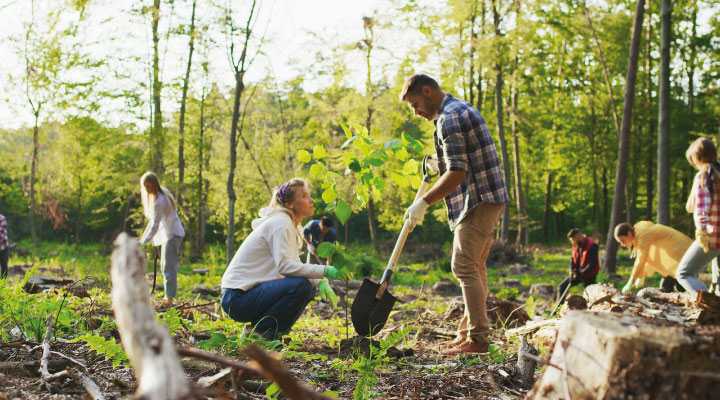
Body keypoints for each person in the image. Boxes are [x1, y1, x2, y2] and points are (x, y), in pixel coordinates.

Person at [400, 74, 508, 355]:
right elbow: (462, 158)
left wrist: (423, 202)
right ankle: (468, 334)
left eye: (415, 103)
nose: (416, 111)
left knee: (463, 266)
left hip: (479, 198)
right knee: (475, 267)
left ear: (427, 91)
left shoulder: (449, 118)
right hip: (487, 196)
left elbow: (458, 172)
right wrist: (440, 162)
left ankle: (478, 340)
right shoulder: (458, 109)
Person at [220, 178, 346, 340]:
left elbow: (294, 264)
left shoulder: (287, 224)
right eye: (305, 196)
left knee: (307, 286)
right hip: (236, 298)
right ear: (290, 204)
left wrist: (319, 281)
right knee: (301, 286)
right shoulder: (280, 223)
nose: (311, 200)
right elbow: (286, 267)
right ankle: (261, 334)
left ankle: (267, 332)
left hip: (243, 296)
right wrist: (326, 270)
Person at [676, 138, 720, 295]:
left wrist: (702, 231)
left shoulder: (703, 176)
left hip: (712, 235)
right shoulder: (718, 172)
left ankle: (711, 304)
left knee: (684, 273)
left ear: (697, 157)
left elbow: (702, 208)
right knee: (718, 280)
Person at [139, 172, 185, 300]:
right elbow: (152, 222)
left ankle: (169, 297)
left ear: (154, 185)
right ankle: (169, 296)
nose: (147, 190)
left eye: (148, 186)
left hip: (172, 234)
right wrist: (142, 239)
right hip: (171, 235)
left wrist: (144, 242)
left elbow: (155, 224)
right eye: (145, 187)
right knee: (165, 265)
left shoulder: (160, 200)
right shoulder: (162, 194)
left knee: (169, 267)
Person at [614, 221, 690, 293]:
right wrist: (641, 275)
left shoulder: (642, 233)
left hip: (681, 252)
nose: (622, 244)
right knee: (666, 287)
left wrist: (631, 281)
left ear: (629, 233)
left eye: (623, 240)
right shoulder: (639, 234)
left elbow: (641, 258)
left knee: (681, 286)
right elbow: (648, 257)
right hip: (675, 259)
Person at [557, 228, 600, 303]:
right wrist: (572, 272)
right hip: (578, 273)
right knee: (562, 287)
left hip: (589, 274)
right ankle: (559, 308)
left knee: (589, 295)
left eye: (573, 240)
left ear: (579, 237)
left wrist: (581, 272)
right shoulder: (576, 245)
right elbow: (573, 260)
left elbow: (592, 264)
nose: (572, 243)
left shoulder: (592, 246)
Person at [0, 214, 8, 279]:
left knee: (4, 266)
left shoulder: (2, 218)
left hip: (3, 247)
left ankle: (3, 285)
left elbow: (1, 233)